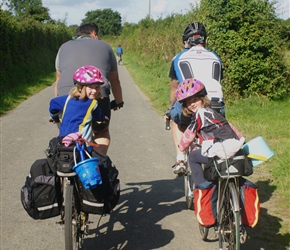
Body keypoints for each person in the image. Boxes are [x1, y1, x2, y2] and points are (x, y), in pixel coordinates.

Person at [54, 23, 124, 155]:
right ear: (94, 34)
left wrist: (58, 107)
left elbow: (58, 79)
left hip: (66, 96)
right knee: (101, 131)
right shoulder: (106, 46)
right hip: (97, 93)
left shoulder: (63, 47)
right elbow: (115, 79)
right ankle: (98, 163)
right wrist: (118, 101)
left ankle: (65, 162)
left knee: (65, 129)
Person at [165, 22, 224, 174]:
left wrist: (171, 108)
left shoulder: (179, 58)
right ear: (205, 41)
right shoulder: (216, 58)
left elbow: (175, 87)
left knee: (175, 119)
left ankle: (180, 159)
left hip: (190, 106)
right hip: (216, 105)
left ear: (186, 42)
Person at [177, 78, 243, 185]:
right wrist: (241, 140)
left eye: (195, 100)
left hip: (219, 149)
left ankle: (202, 188)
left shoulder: (200, 114)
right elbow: (230, 126)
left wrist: (181, 147)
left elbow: (190, 133)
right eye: (188, 103)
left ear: (202, 99)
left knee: (193, 157)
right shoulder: (214, 113)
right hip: (233, 145)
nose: (192, 104)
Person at [49, 65, 107, 143]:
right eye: (90, 87)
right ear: (80, 87)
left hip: (62, 142)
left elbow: (53, 103)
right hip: (82, 145)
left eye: (97, 87)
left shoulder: (67, 99)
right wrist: (103, 119)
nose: (94, 91)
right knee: (99, 154)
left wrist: (55, 117)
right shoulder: (93, 103)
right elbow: (99, 118)